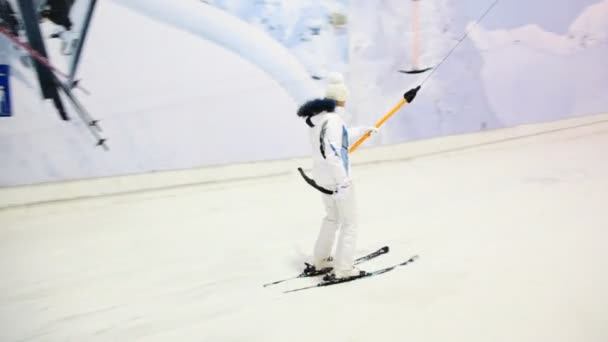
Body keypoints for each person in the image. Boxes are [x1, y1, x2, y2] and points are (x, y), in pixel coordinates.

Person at [297, 72, 378, 279]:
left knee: (332, 218)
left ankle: (320, 259)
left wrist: (360, 131)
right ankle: (343, 269)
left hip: (322, 178)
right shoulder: (333, 120)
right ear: (341, 99)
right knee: (350, 222)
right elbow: (333, 151)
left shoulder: (319, 119)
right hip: (336, 179)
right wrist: (343, 182)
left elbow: (335, 140)